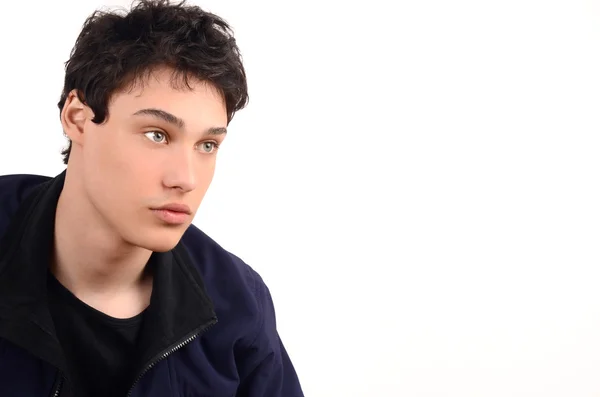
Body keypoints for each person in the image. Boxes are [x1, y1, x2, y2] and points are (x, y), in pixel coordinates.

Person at [0, 1, 304, 396]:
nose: (186, 179)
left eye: (207, 144)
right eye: (157, 135)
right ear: (77, 118)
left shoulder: (238, 303)